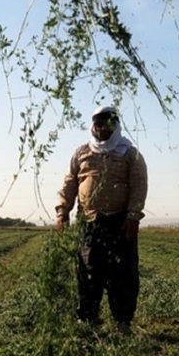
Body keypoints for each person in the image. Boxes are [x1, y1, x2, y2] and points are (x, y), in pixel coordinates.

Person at [56, 105, 148, 332]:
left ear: (115, 125)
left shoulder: (130, 153)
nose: (101, 128)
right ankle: (87, 318)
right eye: (97, 124)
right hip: (89, 222)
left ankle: (123, 321)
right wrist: (62, 212)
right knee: (88, 271)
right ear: (93, 126)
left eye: (107, 123)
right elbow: (69, 183)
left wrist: (134, 216)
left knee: (123, 273)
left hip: (120, 222)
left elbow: (139, 185)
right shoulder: (82, 153)